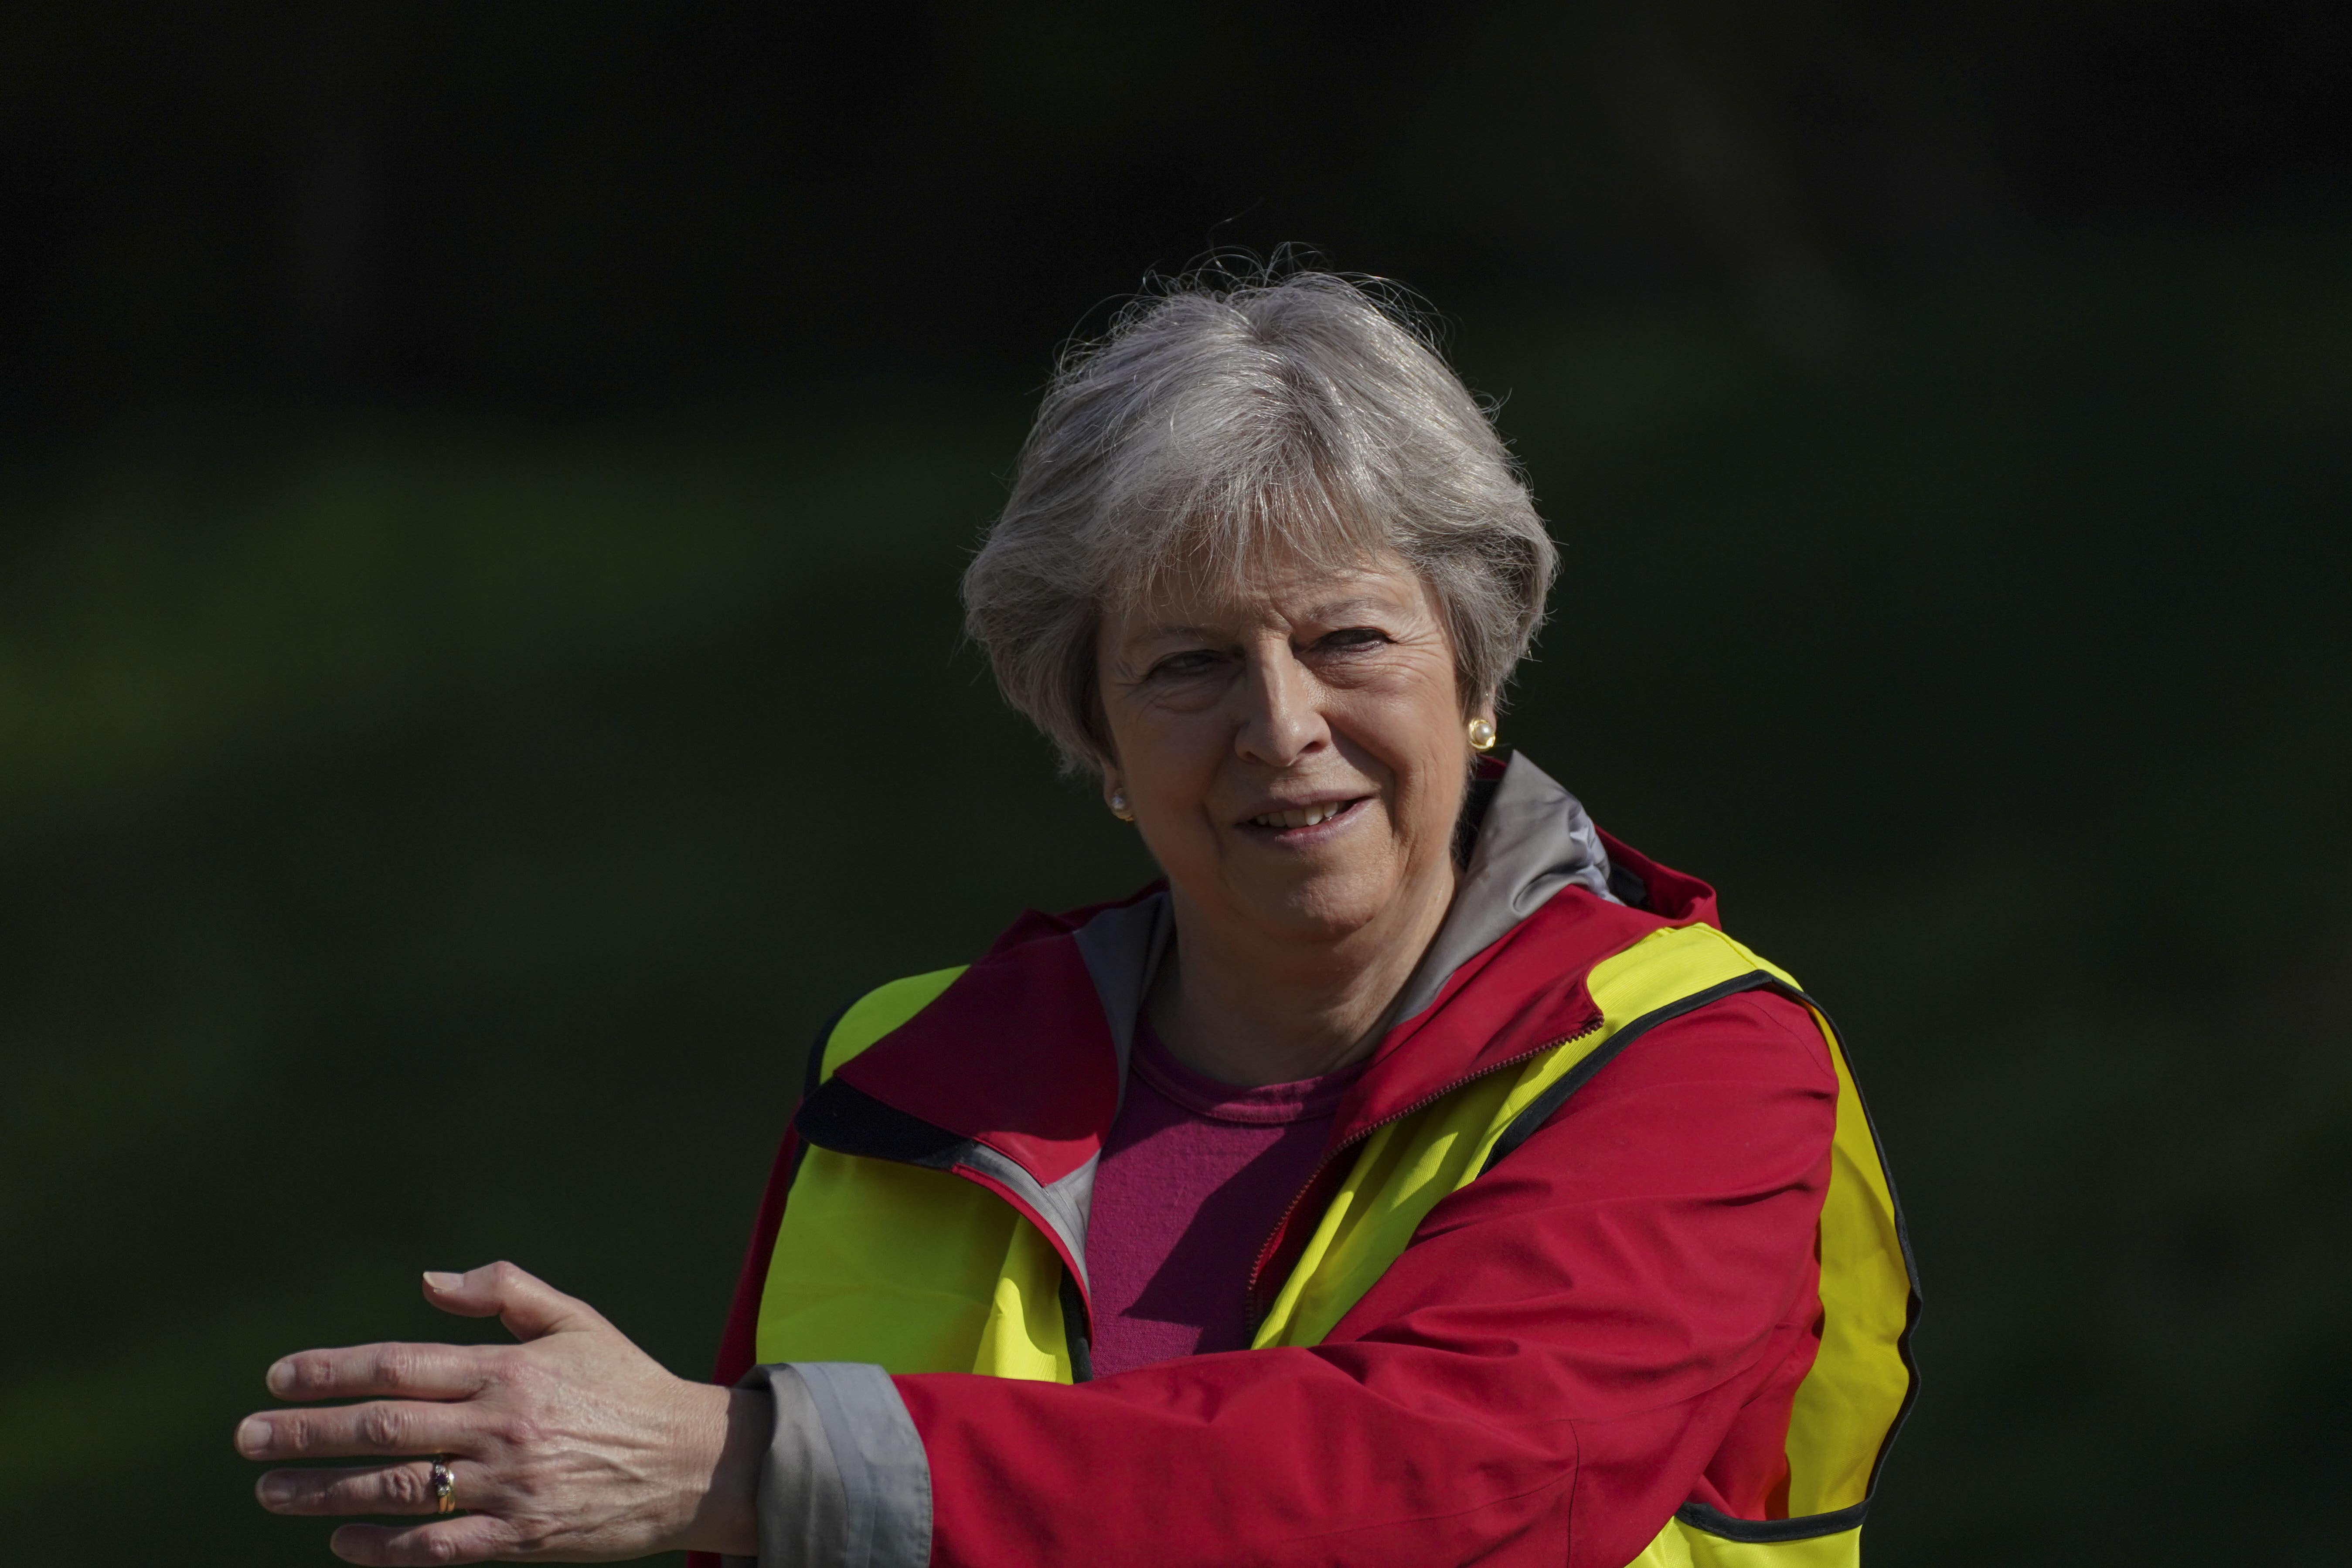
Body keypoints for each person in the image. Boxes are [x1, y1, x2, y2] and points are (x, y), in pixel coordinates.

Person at [238, 269, 1917, 1568]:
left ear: (1477, 673)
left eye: (1347, 640)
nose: (1279, 728)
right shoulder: (906, 1073)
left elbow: (1436, 1487)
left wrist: (731, 1463)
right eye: (1187, 666)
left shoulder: (1695, 1059)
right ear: (1094, 737)